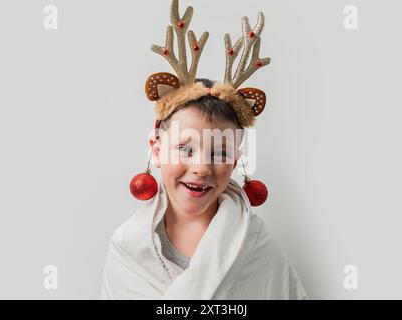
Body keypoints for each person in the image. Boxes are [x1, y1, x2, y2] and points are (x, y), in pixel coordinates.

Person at [100, 0, 307, 300]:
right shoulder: (127, 249)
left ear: (236, 161)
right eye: (185, 148)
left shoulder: (257, 244)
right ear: (156, 151)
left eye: (220, 153)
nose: (201, 168)